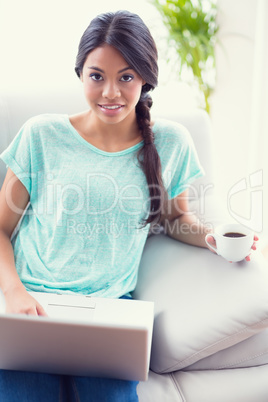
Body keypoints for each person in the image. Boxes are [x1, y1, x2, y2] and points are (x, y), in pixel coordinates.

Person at [0, 10, 257, 402]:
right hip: (34, 303)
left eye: (126, 77)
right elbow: (1, 227)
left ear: (145, 79)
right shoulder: (41, 135)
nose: (110, 93)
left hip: (110, 312)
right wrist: (14, 291)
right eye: (97, 76)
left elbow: (173, 219)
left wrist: (212, 239)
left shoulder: (171, 142)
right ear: (80, 74)